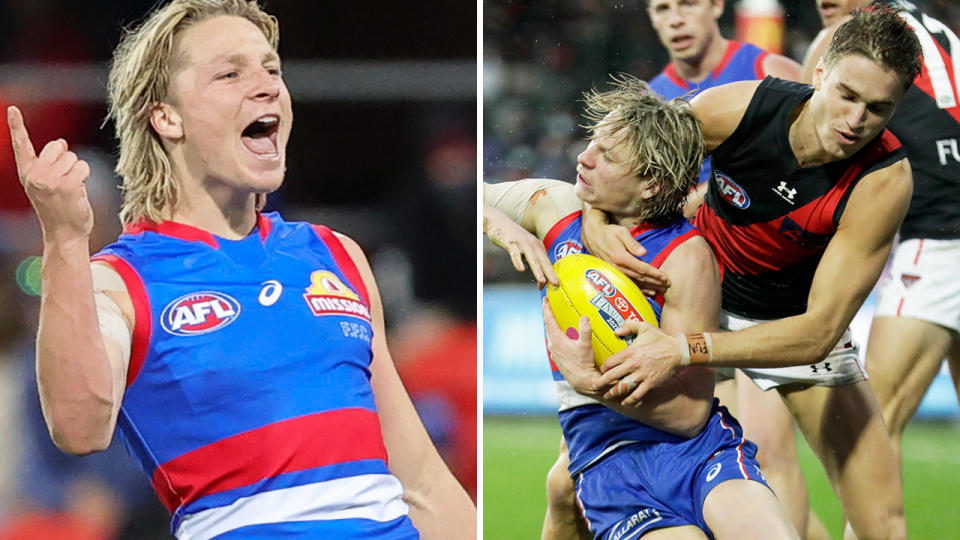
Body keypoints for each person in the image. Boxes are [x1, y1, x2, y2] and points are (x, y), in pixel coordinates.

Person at [7, 1, 476, 538]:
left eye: (272, 70)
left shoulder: (336, 255)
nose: (267, 86)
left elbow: (419, 479)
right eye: (231, 73)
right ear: (166, 116)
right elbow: (78, 427)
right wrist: (64, 238)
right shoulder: (118, 282)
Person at [577, 7, 921, 540]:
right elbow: (616, 167)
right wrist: (594, 220)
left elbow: (819, 333)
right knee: (568, 480)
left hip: (790, 326)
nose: (856, 120)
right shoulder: (735, 108)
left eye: (879, 109)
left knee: (883, 524)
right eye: (848, 95)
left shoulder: (883, 180)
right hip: (693, 292)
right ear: (820, 72)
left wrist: (685, 348)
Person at [484, 75, 798, 540]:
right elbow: (473, 195)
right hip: (608, 460)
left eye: (606, 156)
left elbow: (689, 414)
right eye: (592, 143)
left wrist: (590, 382)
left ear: (651, 184)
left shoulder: (685, 258)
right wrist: (502, 228)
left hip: (699, 452)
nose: (583, 157)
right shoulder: (553, 207)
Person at [797, 0, 960, 535]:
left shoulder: (857, 41)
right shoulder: (926, 26)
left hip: (940, 235)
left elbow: (802, 143)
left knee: (868, 432)